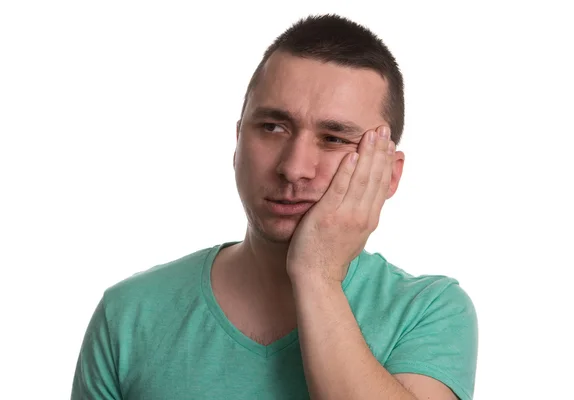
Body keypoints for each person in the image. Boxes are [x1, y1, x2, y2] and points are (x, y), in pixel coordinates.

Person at [71, 14, 478, 400]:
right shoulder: (128, 314)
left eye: (334, 138)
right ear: (237, 142)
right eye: (272, 128)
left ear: (388, 174)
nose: (294, 168)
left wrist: (317, 274)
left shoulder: (430, 310)